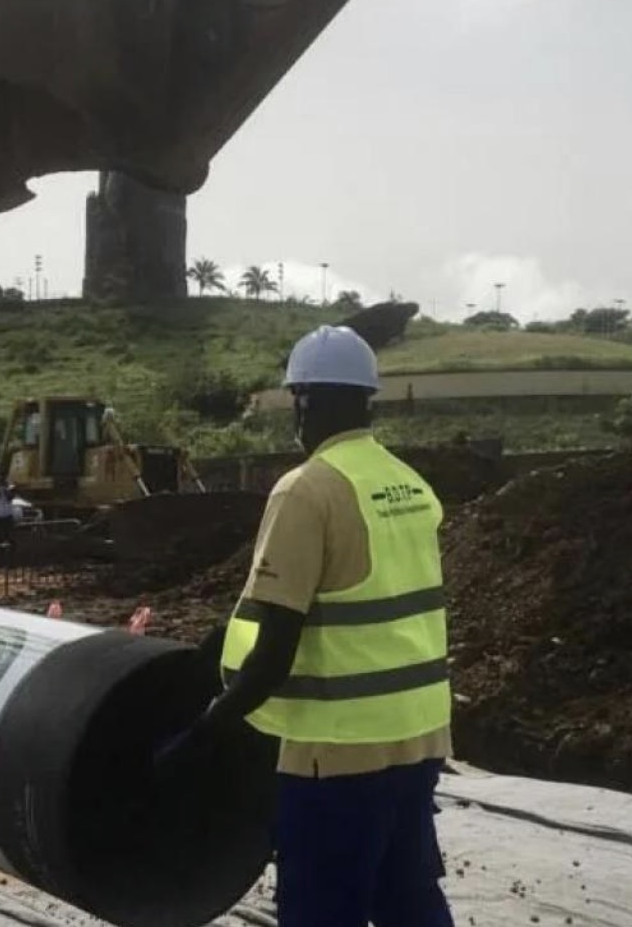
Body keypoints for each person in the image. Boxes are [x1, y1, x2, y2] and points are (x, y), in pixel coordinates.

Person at [156, 325, 454, 927]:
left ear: (306, 401)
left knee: (321, 908)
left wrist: (209, 726)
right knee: (407, 899)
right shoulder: (409, 485)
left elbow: (275, 651)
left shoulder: (307, 490)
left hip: (336, 751)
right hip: (419, 735)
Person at [0, 479, 18, 564]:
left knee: (10, 538)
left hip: (7, 516)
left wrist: (6, 489)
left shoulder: (9, 490)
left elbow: (10, 497)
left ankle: (11, 559)